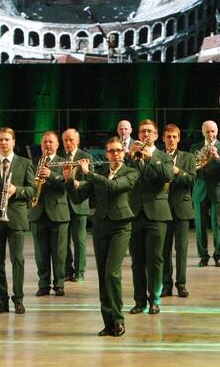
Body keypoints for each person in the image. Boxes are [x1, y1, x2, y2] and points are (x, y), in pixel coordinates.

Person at [65, 137, 139, 337]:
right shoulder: (101, 173)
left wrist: (88, 173)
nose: (115, 154)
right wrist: (70, 179)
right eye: (111, 151)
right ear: (106, 154)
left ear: (123, 153)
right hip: (100, 227)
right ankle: (108, 323)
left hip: (121, 226)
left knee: (112, 274)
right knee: (102, 277)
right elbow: (78, 197)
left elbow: (113, 187)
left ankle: (118, 320)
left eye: (118, 151)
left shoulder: (131, 172)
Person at [126, 119, 174, 315]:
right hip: (135, 213)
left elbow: (168, 176)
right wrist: (130, 158)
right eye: (143, 131)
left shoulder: (163, 156)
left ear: (155, 135)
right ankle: (139, 301)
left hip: (157, 214)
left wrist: (150, 158)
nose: (146, 135)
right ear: (138, 135)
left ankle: (154, 299)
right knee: (137, 260)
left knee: (155, 259)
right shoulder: (131, 157)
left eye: (150, 132)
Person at [0, 127, 35, 315]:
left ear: (14, 141)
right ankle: (2, 301)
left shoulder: (24, 163)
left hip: (15, 218)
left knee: (18, 260)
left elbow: (32, 190)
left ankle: (19, 300)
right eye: (0, 140)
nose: (4, 143)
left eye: (7, 139)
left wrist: (17, 190)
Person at [30, 131, 69, 297]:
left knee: (59, 252)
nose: (48, 145)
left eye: (51, 142)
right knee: (41, 252)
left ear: (57, 144)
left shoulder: (64, 162)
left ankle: (59, 284)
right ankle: (43, 284)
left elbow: (68, 184)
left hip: (58, 213)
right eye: (45, 142)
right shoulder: (33, 163)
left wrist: (51, 175)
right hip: (38, 212)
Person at [161, 124, 196, 298]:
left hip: (182, 207)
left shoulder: (188, 157)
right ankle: (166, 285)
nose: (171, 140)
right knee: (164, 249)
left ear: (179, 138)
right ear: (163, 138)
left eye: (174, 137)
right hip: (162, 208)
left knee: (181, 248)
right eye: (168, 136)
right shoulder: (157, 157)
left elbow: (192, 180)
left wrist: (177, 171)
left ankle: (181, 284)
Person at [191, 120, 220, 267]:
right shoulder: (195, 147)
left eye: (213, 131)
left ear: (217, 132)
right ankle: (203, 256)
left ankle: (218, 256)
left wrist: (217, 158)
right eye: (207, 132)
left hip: (218, 191)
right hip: (200, 190)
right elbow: (192, 168)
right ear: (203, 132)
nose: (211, 134)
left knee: (218, 226)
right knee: (200, 227)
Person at [61, 128, 92, 283]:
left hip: (79, 204)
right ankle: (68, 270)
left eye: (71, 140)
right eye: (65, 140)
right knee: (63, 240)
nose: (68, 143)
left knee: (79, 239)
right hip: (62, 205)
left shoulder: (86, 157)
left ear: (77, 141)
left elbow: (92, 180)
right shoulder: (59, 157)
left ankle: (80, 272)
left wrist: (81, 183)